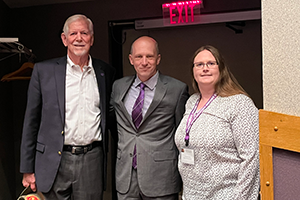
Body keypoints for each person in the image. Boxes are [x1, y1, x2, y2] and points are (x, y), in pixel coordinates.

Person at [20, 14, 115, 199]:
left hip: (91, 160)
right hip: (53, 160)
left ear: (92, 39)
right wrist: (27, 168)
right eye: (73, 34)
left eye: (84, 33)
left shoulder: (105, 72)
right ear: (65, 39)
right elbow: (31, 121)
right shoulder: (43, 71)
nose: (79, 38)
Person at [175, 45, 259, 199]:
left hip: (226, 194)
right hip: (192, 194)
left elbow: (251, 158)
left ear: (221, 69)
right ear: (193, 71)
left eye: (211, 63)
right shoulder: (192, 102)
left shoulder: (239, 103)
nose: (205, 68)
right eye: (199, 65)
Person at [111, 36, 189, 200]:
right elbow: (114, 123)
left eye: (150, 56)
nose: (144, 62)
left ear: (158, 59)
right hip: (126, 178)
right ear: (131, 60)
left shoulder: (177, 89)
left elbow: (182, 135)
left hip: (161, 179)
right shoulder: (118, 87)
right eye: (139, 57)